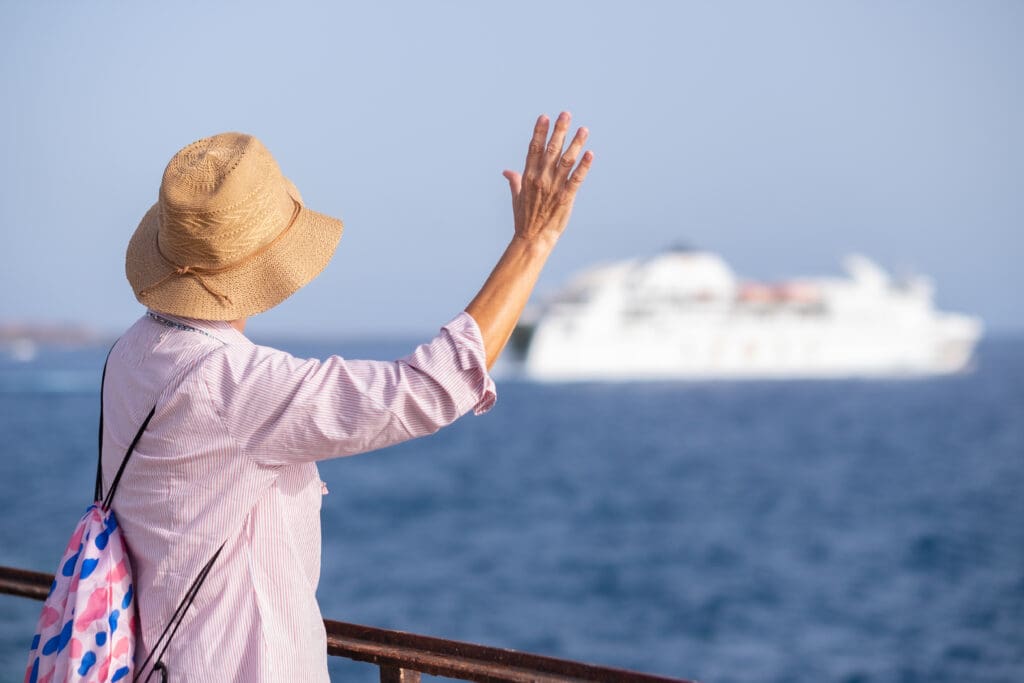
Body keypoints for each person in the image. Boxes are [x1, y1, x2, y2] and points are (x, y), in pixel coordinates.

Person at [105, 112, 591, 681]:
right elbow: (430, 388)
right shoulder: (232, 386)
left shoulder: (132, 353)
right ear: (264, 262)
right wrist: (532, 243)